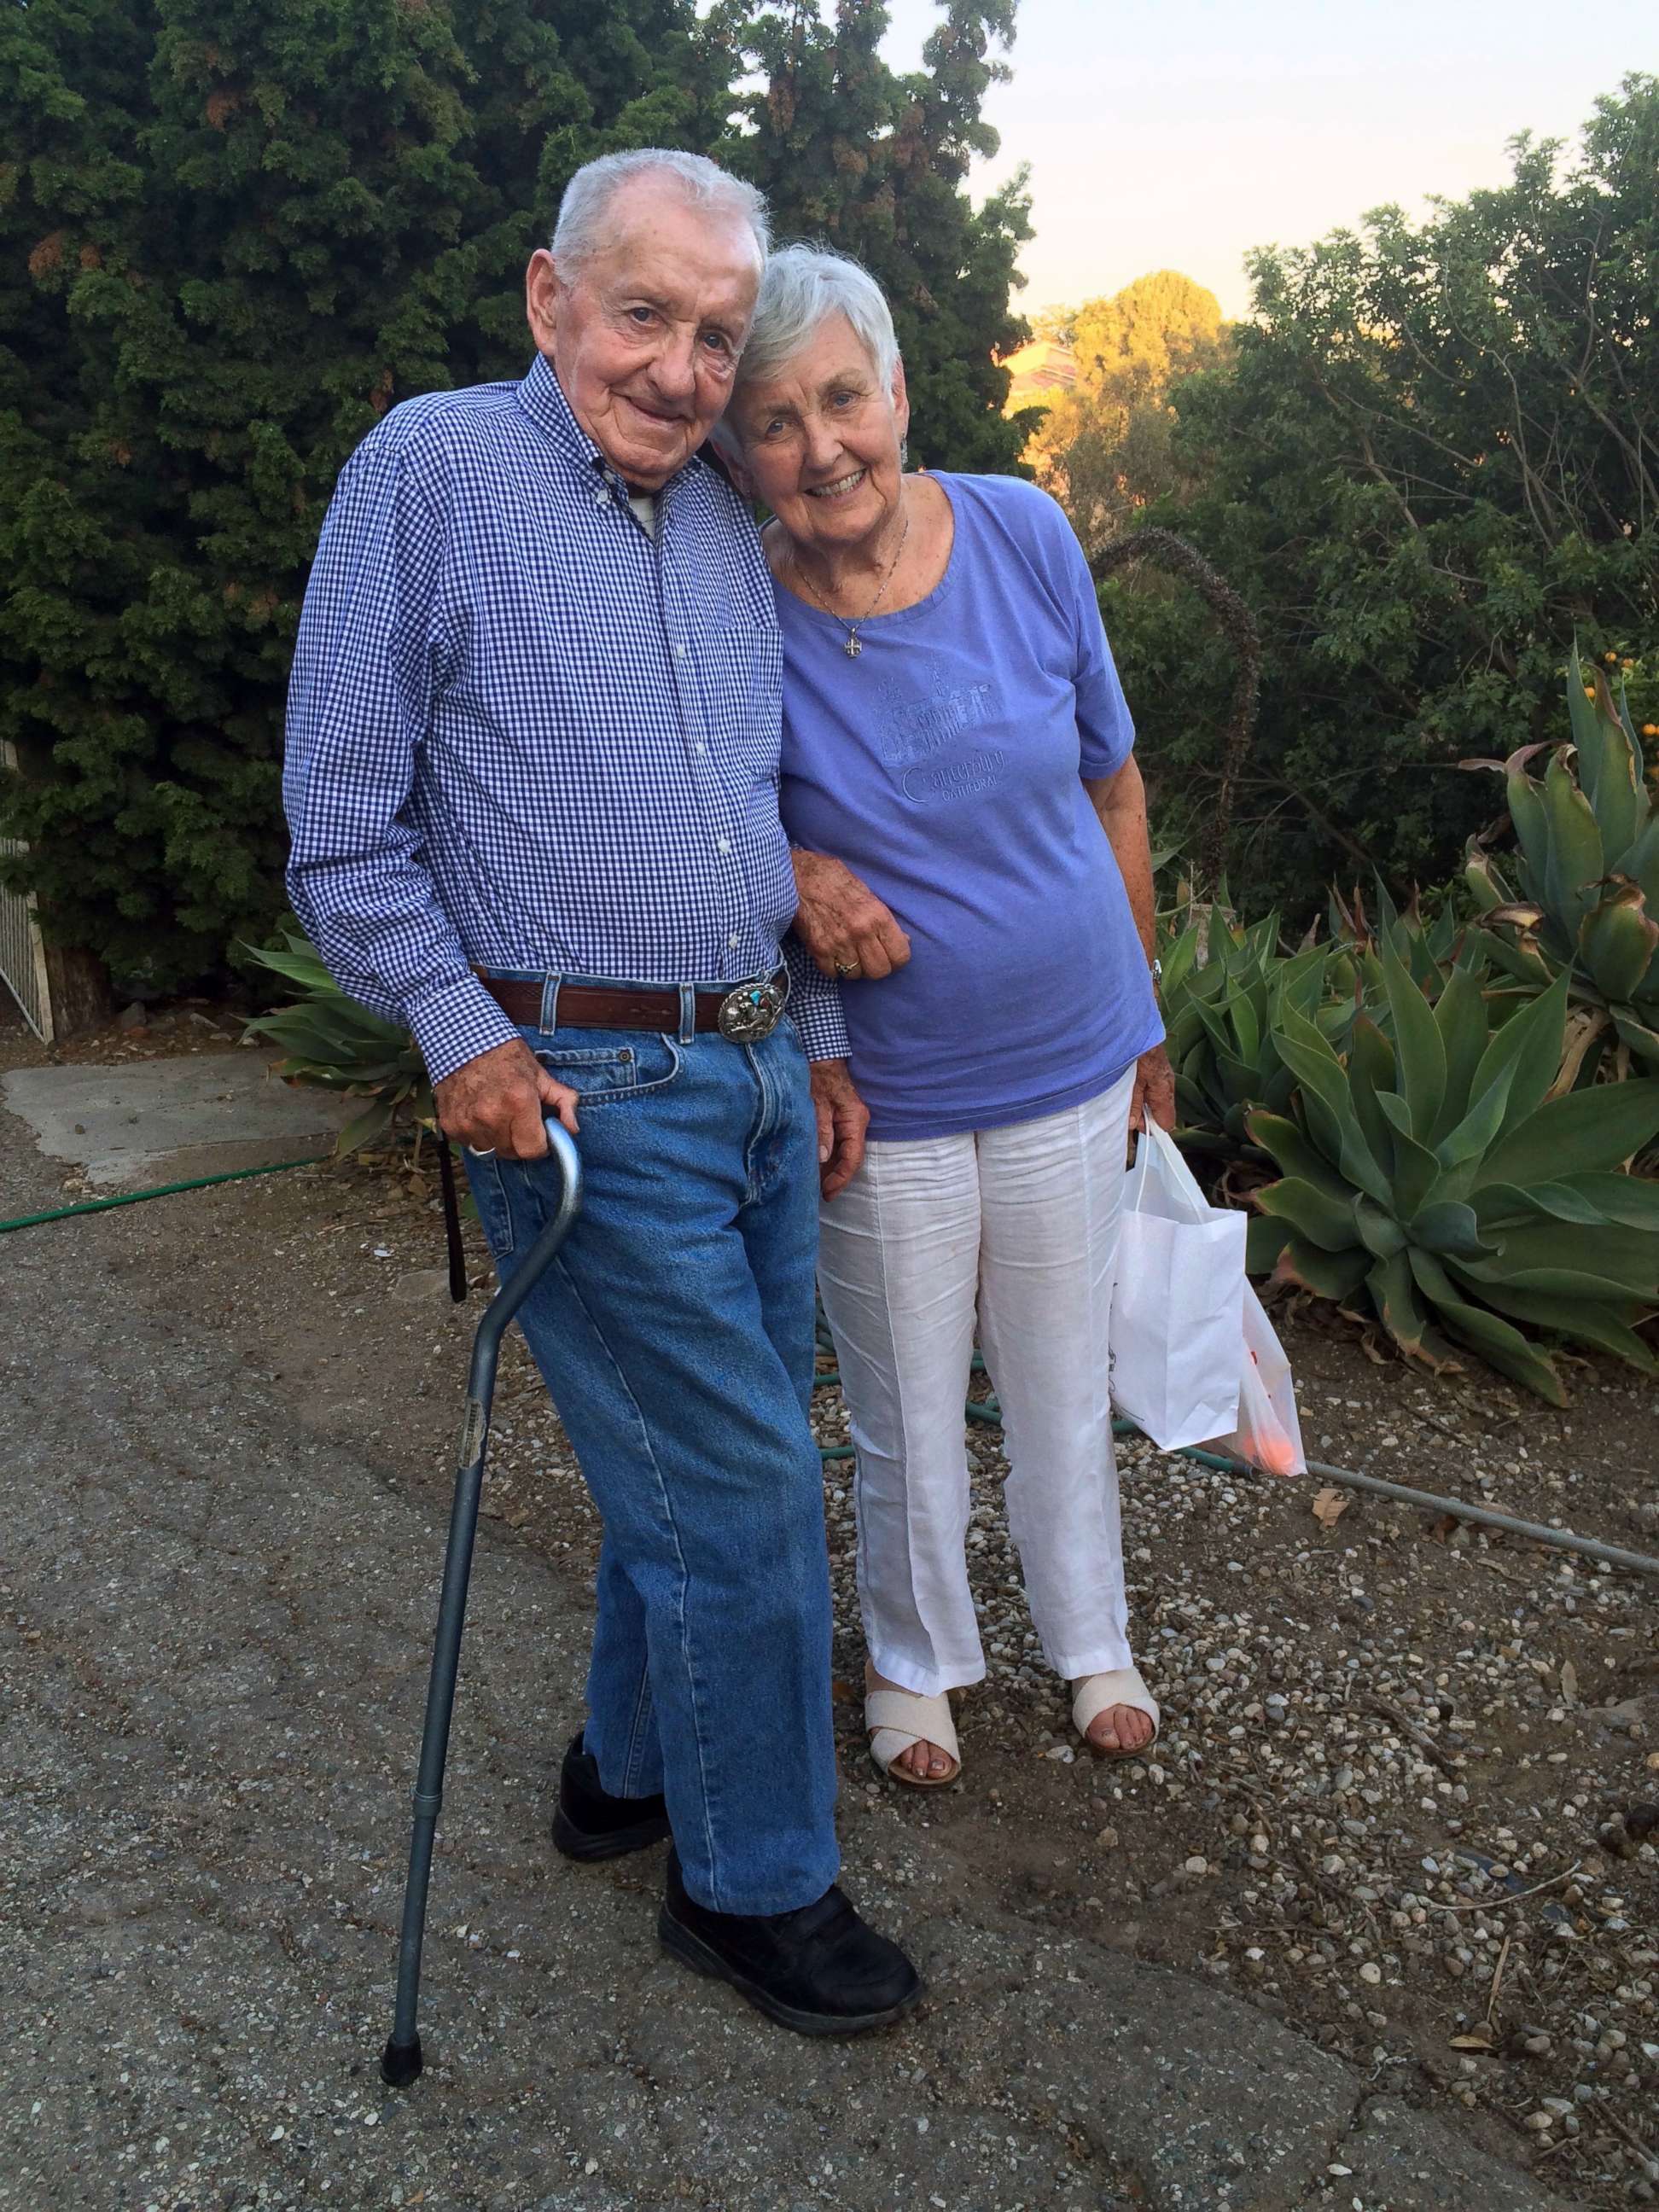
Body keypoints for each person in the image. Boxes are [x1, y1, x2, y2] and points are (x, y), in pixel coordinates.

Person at [283, 156, 921, 2032]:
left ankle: (630, 1777)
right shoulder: (431, 470)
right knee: (737, 1492)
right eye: (646, 317)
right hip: (579, 1092)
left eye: (716, 336)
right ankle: (751, 1887)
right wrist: (454, 1035)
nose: (682, 369)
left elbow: (749, 809)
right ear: (550, 296)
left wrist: (806, 1035)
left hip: (747, 1065)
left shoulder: (724, 515)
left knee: (696, 1470)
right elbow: (337, 829)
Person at [717, 244, 1178, 1790]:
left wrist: (1149, 1026)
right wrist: (791, 865)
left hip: (1071, 1049)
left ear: (900, 391)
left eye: (843, 398)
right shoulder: (733, 608)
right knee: (906, 1397)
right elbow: (702, 819)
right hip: (885, 1084)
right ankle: (918, 1661)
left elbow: (1113, 781)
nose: (820, 446)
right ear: (737, 448)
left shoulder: (1028, 533)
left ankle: (1091, 1638)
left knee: (1058, 1370)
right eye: (774, 421)